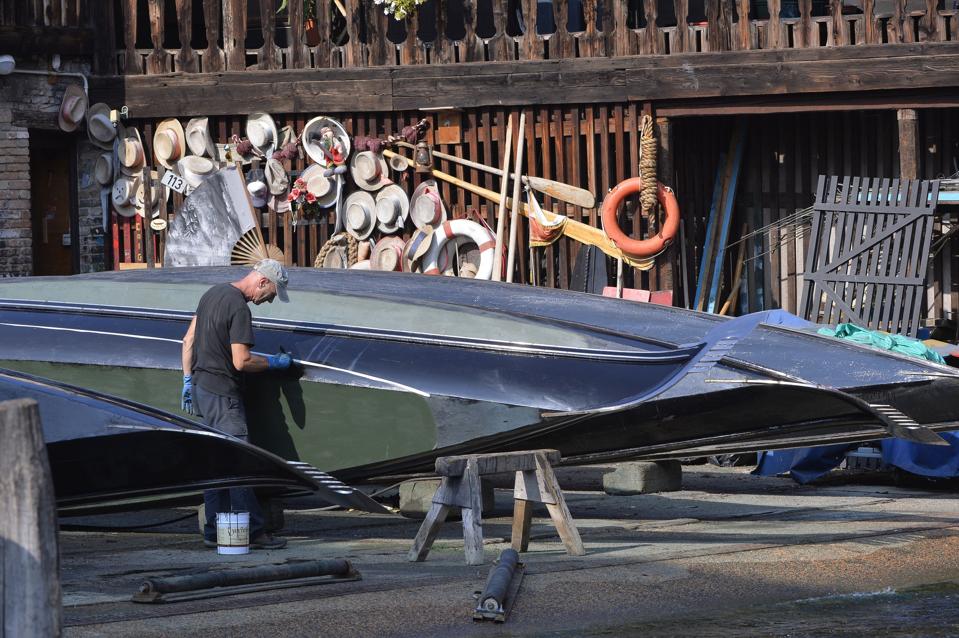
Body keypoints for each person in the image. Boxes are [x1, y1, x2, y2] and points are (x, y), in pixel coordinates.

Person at [180, 259, 294, 550]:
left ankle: (212, 531)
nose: (267, 301)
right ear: (262, 282)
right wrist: (273, 364)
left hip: (203, 390)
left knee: (215, 464)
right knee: (240, 462)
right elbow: (241, 361)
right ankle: (254, 532)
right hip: (223, 394)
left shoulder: (212, 293)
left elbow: (188, 340)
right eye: (270, 294)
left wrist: (187, 380)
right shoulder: (239, 307)